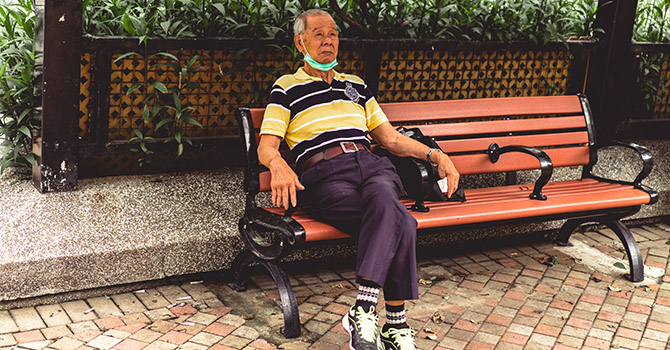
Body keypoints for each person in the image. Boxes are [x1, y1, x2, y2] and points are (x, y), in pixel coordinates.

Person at [257, 9, 460, 350]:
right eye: (319, 34)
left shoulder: (356, 85)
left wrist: (435, 155)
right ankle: (395, 323)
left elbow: (390, 138)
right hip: (324, 174)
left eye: (333, 34)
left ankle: (364, 309)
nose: (328, 40)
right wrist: (277, 164)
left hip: (372, 165)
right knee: (402, 222)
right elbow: (267, 146)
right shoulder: (286, 88)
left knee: (386, 199)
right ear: (300, 42)